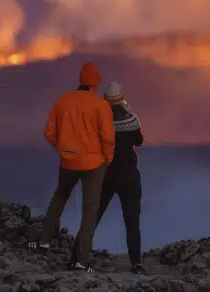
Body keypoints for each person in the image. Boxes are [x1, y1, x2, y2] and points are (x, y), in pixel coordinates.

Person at [34, 61, 115, 271]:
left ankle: (44, 242)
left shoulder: (62, 101)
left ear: (80, 79)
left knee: (60, 197)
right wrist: (108, 158)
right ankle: (82, 261)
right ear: (96, 81)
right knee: (90, 210)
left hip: (68, 161)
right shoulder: (100, 105)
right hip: (94, 163)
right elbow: (108, 137)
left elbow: (49, 134)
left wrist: (63, 149)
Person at [79, 80, 146, 274]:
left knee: (93, 217)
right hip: (129, 177)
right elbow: (139, 141)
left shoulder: (100, 122)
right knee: (132, 222)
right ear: (122, 99)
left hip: (105, 176)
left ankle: (78, 258)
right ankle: (136, 264)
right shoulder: (131, 120)